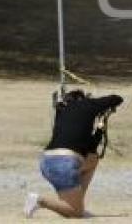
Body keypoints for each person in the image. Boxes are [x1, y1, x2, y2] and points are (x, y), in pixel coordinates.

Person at [24, 90, 123, 218]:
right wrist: (102, 108)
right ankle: (40, 200)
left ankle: (76, 204)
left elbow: (90, 149)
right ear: (82, 99)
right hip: (64, 165)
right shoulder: (88, 104)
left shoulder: (62, 112)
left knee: (93, 159)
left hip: (46, 162)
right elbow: (116, 98)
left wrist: (99, 129)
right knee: (75, 213)